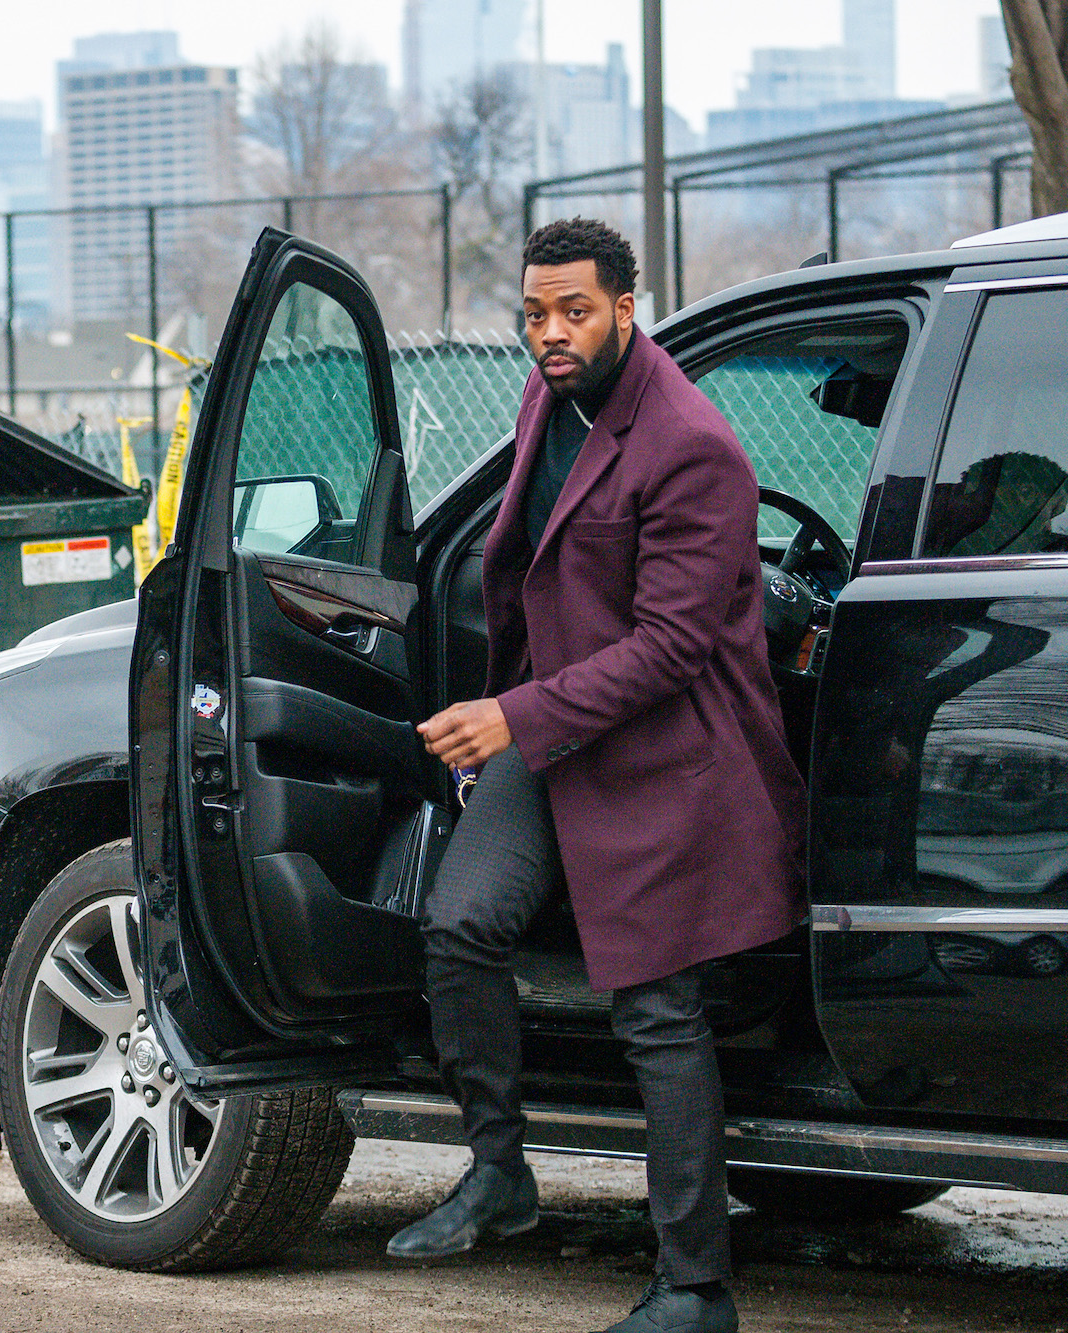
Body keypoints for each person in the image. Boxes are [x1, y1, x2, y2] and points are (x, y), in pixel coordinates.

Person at [386, 218, 806, 1333]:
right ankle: (498, 1170)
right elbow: (527, 572)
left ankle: (695, 1287)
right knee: (459, 925)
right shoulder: (548, 396)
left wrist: (507, 718)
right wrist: (516, 711)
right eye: (534, 314)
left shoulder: (691, 445)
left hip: (669, 753)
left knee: (657, 1012)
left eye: (573, 311)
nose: (550, 333)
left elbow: (670, 648)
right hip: (557, 731)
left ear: (625, 307)